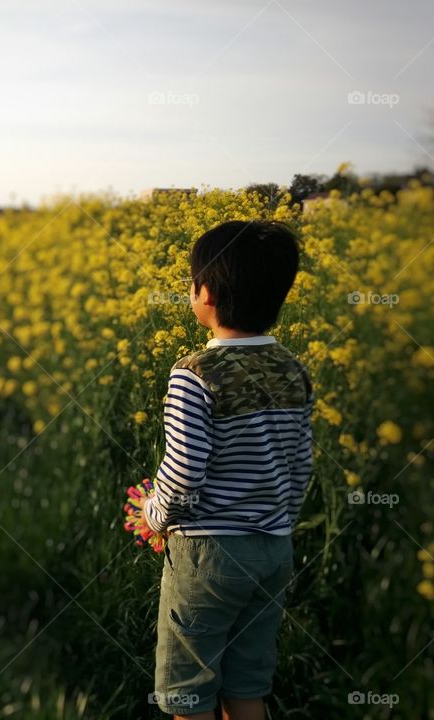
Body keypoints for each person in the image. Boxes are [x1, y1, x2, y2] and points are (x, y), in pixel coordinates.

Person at [139, 220, 314, 720]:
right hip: (273, 550)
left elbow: (184, 473)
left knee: (189, 691)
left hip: (209, 555)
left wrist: (155, 513)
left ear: (207, 295)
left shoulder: (194, 374)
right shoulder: (294, 370)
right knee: (247, 683)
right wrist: (278, 521)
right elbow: (301, 465)